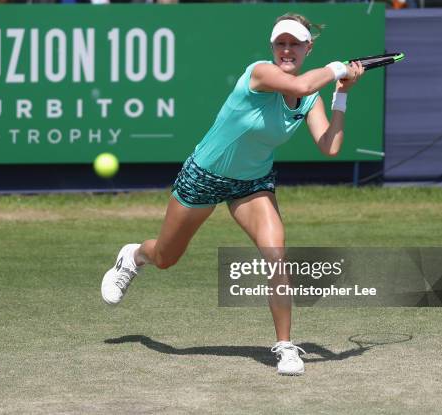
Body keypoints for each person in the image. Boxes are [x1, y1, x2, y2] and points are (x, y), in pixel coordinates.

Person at [101, 12, 364, 376]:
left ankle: (286, 346)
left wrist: (341, 97)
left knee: (277, 255)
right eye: (280, 43)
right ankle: (133, 257)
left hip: (252, 184)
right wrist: (337, 67)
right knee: (165, 257)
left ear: (308, 47)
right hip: (204, 176)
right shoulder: (260, 72)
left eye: (295, 43)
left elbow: (330, 145)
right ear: (272, 47)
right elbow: (302, 85)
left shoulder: (310, 96)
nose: (286, 50)